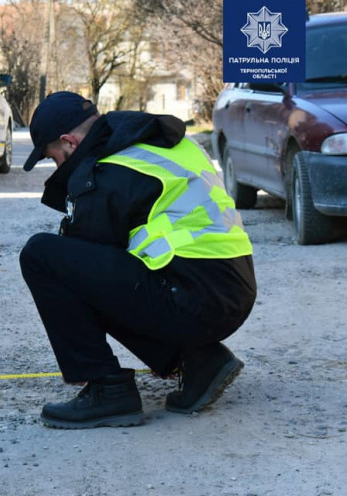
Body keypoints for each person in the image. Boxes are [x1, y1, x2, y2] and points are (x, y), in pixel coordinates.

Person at [19, 92, 257, 429]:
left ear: (69, 143)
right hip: (231, 288)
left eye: (53, 157)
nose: (58, 166)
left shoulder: (104, 171)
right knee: (106, 270)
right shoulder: (153, 142)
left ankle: (107, 388)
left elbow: (79, 269)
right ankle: (201, 360)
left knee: (42, 257)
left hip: (194, 297)